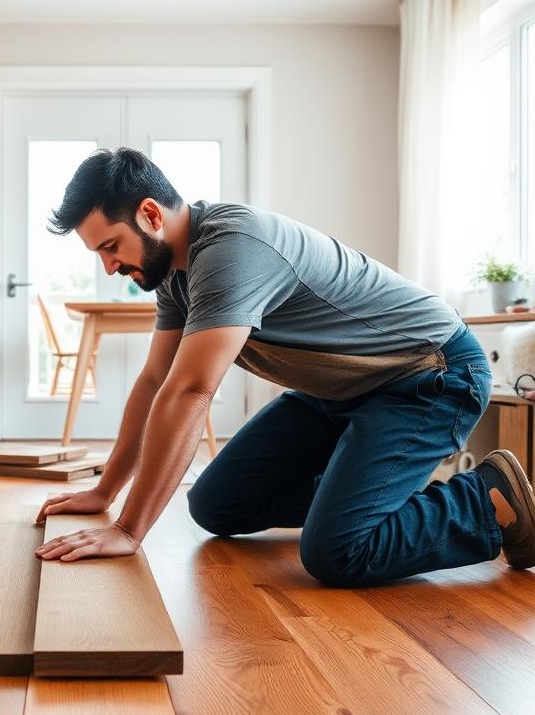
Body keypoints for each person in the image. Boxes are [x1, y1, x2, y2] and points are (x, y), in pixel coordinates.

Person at [35, 147, 535, 585]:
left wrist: (128, 530)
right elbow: (153, 383)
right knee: (216, 505)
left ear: (150, 214)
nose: (109, 266)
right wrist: (105, 490)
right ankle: (366, 494)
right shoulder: (174, 275)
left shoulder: (231, 247)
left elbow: (190, 392)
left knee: (337, 554)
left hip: (430, 376)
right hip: (342, 390)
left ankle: (486, 499)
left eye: (110, 246)